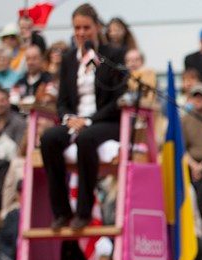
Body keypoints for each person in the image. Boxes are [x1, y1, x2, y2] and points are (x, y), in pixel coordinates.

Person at [40, 3, 126, 230]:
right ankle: (61, 211)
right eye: (77, 28)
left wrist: (89, 120)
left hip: (105, 121)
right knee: (49, 139)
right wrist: (69, 118)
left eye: (86, 27)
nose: (81, 33)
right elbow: (62, 102)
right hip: (76, 120)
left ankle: (84, 211)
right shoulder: (69, 59)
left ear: (97, 27)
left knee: (86, 139)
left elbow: (117, 99)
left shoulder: (112, 55)